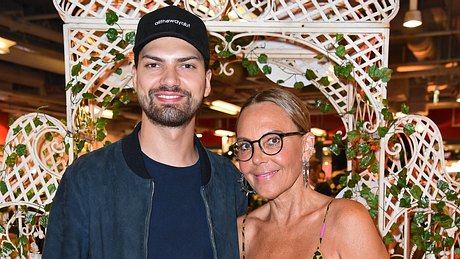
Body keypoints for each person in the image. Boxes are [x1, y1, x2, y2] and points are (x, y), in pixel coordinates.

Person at [42, 6, 247, 259]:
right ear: (135, 77)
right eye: (153, 64)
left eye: (186, 66)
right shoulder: (87, 179)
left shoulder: (229, 182)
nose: (169, 79)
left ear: (206, 82)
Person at [232, 87, 389, 259]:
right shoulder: (243, 232)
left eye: (272, 141)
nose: (256, 158)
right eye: (246, 146)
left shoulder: (345, 221)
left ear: (306, 146)